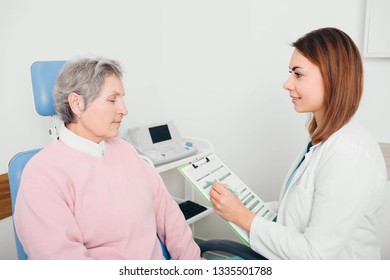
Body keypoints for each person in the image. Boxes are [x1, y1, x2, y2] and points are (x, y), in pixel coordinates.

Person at [210, 27, 387, 259]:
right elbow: (298, 214)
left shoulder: (349, 154)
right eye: (290, 73)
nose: (287, 83)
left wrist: (242, 216)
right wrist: (244, 206)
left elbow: (316, 256)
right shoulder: (322, 140)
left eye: (298, 74)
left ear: (332, 78)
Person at [14, 57, 201, 260]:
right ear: (77, 104)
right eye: (112, 100)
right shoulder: (42, 176)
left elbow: (170, 217)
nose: (124, 110)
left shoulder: (125, 151)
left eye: (122, 99)